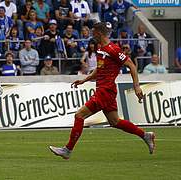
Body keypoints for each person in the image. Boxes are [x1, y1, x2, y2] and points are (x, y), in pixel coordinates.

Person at [49, 22, 155, 160]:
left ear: (99, 33)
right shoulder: (100, 49)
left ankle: (67, 150)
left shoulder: (113, 49)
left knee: (79, 115)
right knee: (115, 122)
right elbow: (100, 69)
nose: (93, 35)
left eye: (94, 32)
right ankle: (146, 135)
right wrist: (85, 80)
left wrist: (136, 86)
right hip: (105, 90)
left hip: (105, 91)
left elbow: (131, 66)